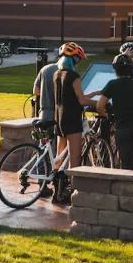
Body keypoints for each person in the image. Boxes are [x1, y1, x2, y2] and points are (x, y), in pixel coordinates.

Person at [52, 42, 97, 200]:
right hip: (72, 120)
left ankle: (56, 188)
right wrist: (99, 103)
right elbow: (82, 101)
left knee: (60, 155)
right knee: (74, 158)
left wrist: (95, 93)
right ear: (74, 59)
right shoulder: (74, 76)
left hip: (59, 118)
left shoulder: (57, 74)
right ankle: (73, 191)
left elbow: (73, 96)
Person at [32, 49, 61, 123]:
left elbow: (35, 91)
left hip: (44, 114)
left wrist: (46, 93)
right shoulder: (66, 72)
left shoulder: (45, 69)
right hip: (60, 115)